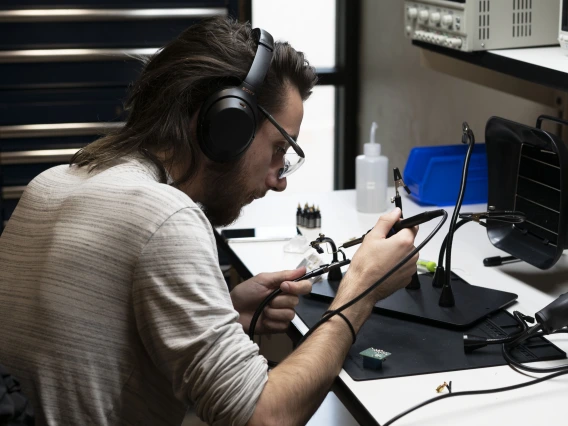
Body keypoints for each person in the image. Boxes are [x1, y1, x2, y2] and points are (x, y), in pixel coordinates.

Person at [0, 17, 418, 426]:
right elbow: (264, 416)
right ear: (226, 125)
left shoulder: (50, 183)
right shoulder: (165, 218)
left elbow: (93, 346)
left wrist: (225, 311)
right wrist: (359, 292)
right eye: (278, 148)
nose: (279, 180)